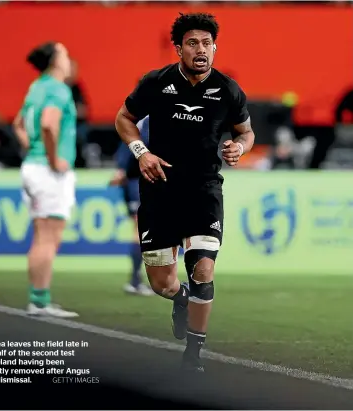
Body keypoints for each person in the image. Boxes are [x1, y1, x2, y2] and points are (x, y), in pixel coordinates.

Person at [115, 13, 255, 372]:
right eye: (192, 43)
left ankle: (193, 356)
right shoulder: (156, 83)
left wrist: (239, 147)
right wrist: (141, 153)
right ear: (179, 48)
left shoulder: (228, 90)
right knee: (162, 283)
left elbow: (246, 132)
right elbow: (123, 119)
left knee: (203, 269)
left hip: (204, 192)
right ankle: (180, 299)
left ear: (215, 48)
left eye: (207, 43)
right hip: (160, 191)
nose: (201, 50)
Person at [13, 41, 79, 318]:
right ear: (55, 61)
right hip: (48, 172)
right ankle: (39, 301)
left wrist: (32, 148)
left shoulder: (36, 87)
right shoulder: (57, 89)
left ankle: (37, 298)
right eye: (64, 53)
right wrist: (52, 159)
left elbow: (18, 123)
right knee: (49, 237)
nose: (68, 57)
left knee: (41, 235)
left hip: (33, 167)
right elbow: (49, 124)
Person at [110, 115, 154, 296]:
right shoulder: (146, 119)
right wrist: (121, 169)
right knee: (140, 228)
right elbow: (132, 143)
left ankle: (141, 280)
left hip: (144, 180)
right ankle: (135, 281)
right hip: (139, 181)